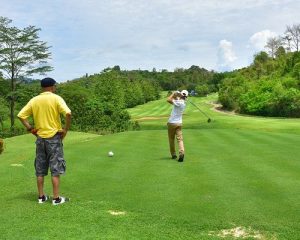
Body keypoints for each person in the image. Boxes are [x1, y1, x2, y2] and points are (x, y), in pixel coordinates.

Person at [18, 77, 71, 205]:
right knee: (55, 169)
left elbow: (21, 115)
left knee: (40, 169)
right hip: (54, 138)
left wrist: (30, 128)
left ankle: (41, 197)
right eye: (55, 86)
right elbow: (68, 114)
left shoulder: (34, 100)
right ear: (52, 87)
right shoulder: (56, 98)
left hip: (40, 139)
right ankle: (56, 199)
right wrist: (65, 130)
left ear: (42, 87)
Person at [167, 90, 188, 162]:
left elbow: (168, 100)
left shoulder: (179, 102)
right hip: (179, 123)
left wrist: (173, 93)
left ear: (181, 95)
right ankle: (182, 153)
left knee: (171, 139)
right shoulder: (183, 103)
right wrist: (177, 95)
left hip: (171, 123)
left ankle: (173, 154)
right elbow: (177, 99)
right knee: (180, 140)